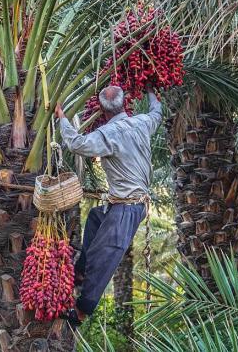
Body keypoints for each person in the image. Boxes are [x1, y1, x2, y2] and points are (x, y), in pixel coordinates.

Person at [55, 85, 162, 326]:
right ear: (125, 104)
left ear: (101, 109)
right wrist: (151, 91)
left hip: (127, 208)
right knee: (94, 217)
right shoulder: (142, 123)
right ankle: (80, 271)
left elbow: (77, 144)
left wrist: (61, 118)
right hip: (127, 205)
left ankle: (82, 311)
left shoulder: (108, 134)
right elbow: (157, 112)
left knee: (104, 255)